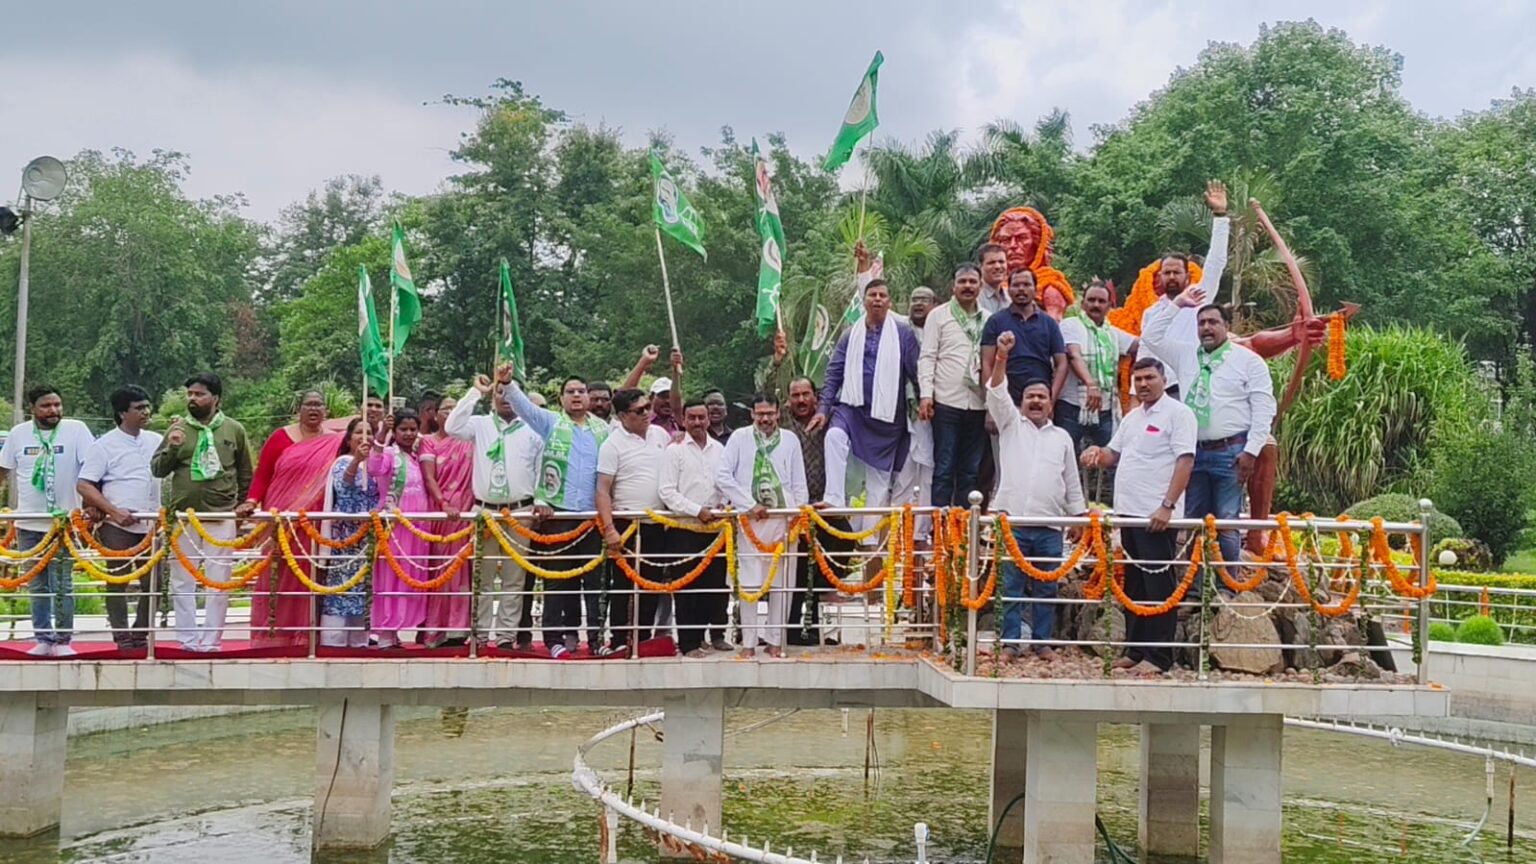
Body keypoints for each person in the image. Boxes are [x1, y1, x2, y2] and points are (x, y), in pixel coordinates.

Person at [1081, 358, 1196, 676]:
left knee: (1158, 584)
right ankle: (1135, 649)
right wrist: (1095, 455)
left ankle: (1159, 657)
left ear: (1163, 378)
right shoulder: (1132, 418)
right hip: (1127, 514)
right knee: (1135, 584)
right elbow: (1112, 455)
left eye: (1149, 378)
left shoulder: (1179, 414)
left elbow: (1185, 461)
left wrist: (1167, 505)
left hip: (1156, 515)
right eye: (1138, 379)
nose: (1143, 384)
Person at [1142, 301, 1275, 573]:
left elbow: (1264, 407)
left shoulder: (1248, 361)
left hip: (1232, 452)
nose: (1206, 328)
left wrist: (1251, 451)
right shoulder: (1186, 355)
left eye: (1213, 322)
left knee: (1226, 522)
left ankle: (1228, 589)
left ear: (1227, 326)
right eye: (1201, 323)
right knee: (1194, 521)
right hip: (1193, 453)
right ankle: (1195, 588)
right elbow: (1151, 336)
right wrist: (1177, 304)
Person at [986, 333, 1087, 662]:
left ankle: (1042, 643)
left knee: (1046, 588)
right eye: (1030, 396)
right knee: (1011, 587)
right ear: (1022, 401)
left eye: (1042, 397)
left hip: (1050, 526)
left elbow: (1071, 481)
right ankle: (1010, 644)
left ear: (1050, 402)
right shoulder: (1011, 425)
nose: (1036, 402)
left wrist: (1079, 517)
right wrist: (1001, 356)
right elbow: (996, 391)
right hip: (1013, 522)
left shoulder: (1062, 438)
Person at [505, 365, 611, 659]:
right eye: (570, 392)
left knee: (594, 582)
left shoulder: (604, 429)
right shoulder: (551, 422)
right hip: (558, 514)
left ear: (589, 397)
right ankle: (554, 639)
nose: (576, 396)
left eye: (581, 391)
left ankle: (597, 639)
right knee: (556, 580)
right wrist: (508, 383)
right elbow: (523, 408)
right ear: (561, 398)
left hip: (592, 518)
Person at [151, 373, 254, 652]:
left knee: (218, 580)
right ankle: (187, 641)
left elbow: (246, 473)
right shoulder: (178, 429)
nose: (192, 399)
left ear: (216, 398)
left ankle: (211, 641)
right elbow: (158, 470)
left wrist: (242, 504)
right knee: (182, 580)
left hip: (221, 517)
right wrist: (172, 446)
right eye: (190, 395)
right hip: (183, 518)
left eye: (199, 394)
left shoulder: (234, 430)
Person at [810, 278, 921, 537]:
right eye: (873, 295)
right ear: (865, 300)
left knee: (878, 483)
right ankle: (834, 499)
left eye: (883, 295)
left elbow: (916, 372)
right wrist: (823, 409)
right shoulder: (850, 334)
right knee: (834, 437)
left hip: (887, 418)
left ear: (890, 302)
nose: (878, 299)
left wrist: (925, 400)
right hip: (853, 408)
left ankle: (869, 543)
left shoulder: (903, 334)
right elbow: (834, 373)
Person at [444, 366, 545, 650]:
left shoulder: (532, 429)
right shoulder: (480, 424)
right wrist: (476, 391)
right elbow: (451, 426)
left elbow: (539, 470)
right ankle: (480, 633)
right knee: (483, 577)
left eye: (509, 392)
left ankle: (505, 637)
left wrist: (539, 502)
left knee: (514, 578)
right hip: (485, 510)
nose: (504, 398)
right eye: (499, 393)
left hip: (520, 511)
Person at [241, 389, 342, 649]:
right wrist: (252, 502)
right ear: (299, 410)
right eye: (308, 404)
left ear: (326, 412)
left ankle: (305, 635)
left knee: (311, 573)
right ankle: (272, 636)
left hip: (316, 522)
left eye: (319, 404)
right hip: (281, 517)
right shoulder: (281, 437)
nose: (314, 409)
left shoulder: (335, 441)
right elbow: (262, 475)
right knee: (276, 572)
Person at [0, 385, 94, 656]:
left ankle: (64, 641)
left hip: (63, 523)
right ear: (33, 408)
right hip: (29, 523)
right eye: (46, 406)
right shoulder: (18, 434)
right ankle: (43, 638)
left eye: (57, 405)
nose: (53, 411)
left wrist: (90, 507)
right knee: (37, 583)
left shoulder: (76, 430)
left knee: (63, 583)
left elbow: (92, 471)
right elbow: (3, 472)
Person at [718, 393, 808, 658]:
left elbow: (799, 483)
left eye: (770, 413)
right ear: (752, 415)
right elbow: (723, 476)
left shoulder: (790, 439)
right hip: (750, 521)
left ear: (778, 413)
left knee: (783, 582)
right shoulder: (740, 438)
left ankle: (775, 641)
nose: (765, 419)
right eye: (760, 414)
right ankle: (748, 642)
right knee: (749, 582)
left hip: (784, 520)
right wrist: (748, 504)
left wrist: (797, 516)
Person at [76, 385, 162, 650]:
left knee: (154, 582)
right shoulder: (104, 445)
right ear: (123, 412)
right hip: (117, 525)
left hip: (152, 523)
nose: (146, 412)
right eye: (139, 408)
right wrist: (114, 511)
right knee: (118, 580)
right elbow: (84, 484)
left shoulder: (157, 440)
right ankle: (122, 636)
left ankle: (141, 634)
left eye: (147, 406)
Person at [597, 387, 674, 655]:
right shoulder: (612, 444)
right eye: (639, 410)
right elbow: (602, 490)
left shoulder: (661, 435)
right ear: (621, 416)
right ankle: (619, 639)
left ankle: (644, 638)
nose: (646, 414)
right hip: (626, 523)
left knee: (652, 583)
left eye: (647, 408)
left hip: (658, 523)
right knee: (624, 585)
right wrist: (609, 530)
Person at [1138, 181, 1231, 400]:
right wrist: (1135, 397)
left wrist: (1220, 216)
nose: (1171, 277)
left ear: (1187, 277)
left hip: (1192, 385)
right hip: (1159, 392)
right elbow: (1145, 350)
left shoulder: (1199, 297)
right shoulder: (1152, 312)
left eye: (1176, 272)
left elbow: (1216, 262)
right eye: (1166, 272)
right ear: (1159, 277)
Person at [781, 373, 850, 645]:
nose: (801, 400)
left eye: (805, 394)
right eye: (795, 395)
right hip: (796, 511)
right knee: (798, 573)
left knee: (840, 546)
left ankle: (817, 624)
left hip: (826, 509)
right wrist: (777, 361)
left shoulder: (830, 419)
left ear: (815, 397)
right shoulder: (784, 423)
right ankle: (793, 632)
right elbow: (764, 402)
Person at [660, 399, 730, 657]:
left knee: (715, 586)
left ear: (709, 419)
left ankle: (713, 635)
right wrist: (696, 510)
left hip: (716, 529)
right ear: (684, 420)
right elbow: (667, 491)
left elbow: (726, 483)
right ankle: (689, 642)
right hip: (684, 529)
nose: (698, 422)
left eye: (702, 417)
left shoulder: (720, 450)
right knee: (687, 588)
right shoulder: (674, 450)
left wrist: (724, 505)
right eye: (693, 418)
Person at [919, 265, 988, 510]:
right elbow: (927, 356)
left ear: (980, 286)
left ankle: (963, 534)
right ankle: (940, 533)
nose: (968, 286)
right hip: (947, 402)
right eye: (963, 282)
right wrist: (926, 395)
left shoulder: (988, 319)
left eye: (972, 282)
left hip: (979, 403)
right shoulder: (938, 315)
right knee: (944, 468)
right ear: (953, 286)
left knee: (970, 471)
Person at [368, 408, 430, 648]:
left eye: (413, 429)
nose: (408, 433)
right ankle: (385, 633)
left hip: (416, 530)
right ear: (395, 432)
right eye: (403, 429)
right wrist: (381, 433)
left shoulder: (416, 457)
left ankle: (395, 632)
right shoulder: (390, 454)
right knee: (390, 578)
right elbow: (373, 468)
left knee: (409, 578)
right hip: (395, 529)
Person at [421, 394, 475, 647]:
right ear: (435, 414)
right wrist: (443, 502)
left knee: (461, 568)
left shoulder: (470, 440)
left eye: (456, 408)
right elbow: (429, 477)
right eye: (446, 409)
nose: (451, 412)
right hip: (440, 510)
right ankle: (434, 629)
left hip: (466, 510)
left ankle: (458, 629)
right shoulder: (428, 442)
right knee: (439, 568)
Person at [1058, 280, 1137, 453]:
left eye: (1101, 301)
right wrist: (1091, 384)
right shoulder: (1071, 325)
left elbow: (1141, 346)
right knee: (1063, 459)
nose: (1096, 305)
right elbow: (1074, 354)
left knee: (1114, 457)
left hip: (1105, 408)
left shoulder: (1111, 333)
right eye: (1091, 300)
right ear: (1082, 302)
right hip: (1072, 407)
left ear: (1109, 305)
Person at [319, 418, 379, 648]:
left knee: (364, 593)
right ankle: (333, 641)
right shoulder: (342, 462)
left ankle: (360, 642)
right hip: (346, 540)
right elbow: (345, 486)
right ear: (349, 438)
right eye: (359, 432)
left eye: (369, 432)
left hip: (369, 541)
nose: (365, 437)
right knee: (341, 590)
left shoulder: (377, 465)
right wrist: (357, 461)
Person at [980, 268, 1068, 405]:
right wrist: (991, 406)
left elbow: (1062, 363)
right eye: (1016, 285)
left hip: (1038, 398)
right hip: (1005, 399)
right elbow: (986, 363)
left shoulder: (1049, 323)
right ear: (1009, 290)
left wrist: (1051, 400)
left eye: (1026, 285)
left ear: (1036, 289)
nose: (1021, 289)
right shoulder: (995, 321)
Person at [900, 287, 937, 544]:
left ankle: (921, 535)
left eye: (924, 299)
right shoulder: (902, 328)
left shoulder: (943, 328)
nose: (918, 304)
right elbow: (872, 301)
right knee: (902, 476)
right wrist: (865, 272)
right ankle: (896, 537)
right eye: (914, 299)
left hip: (939, 413)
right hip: (903, 414)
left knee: (930, 477)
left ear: (935, 305)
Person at [976, 243, 1011, 317]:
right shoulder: (974, 297)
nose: (997, 266)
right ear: (980, 267)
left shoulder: (1011, 297)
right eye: (991, 263)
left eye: (1001, 262)